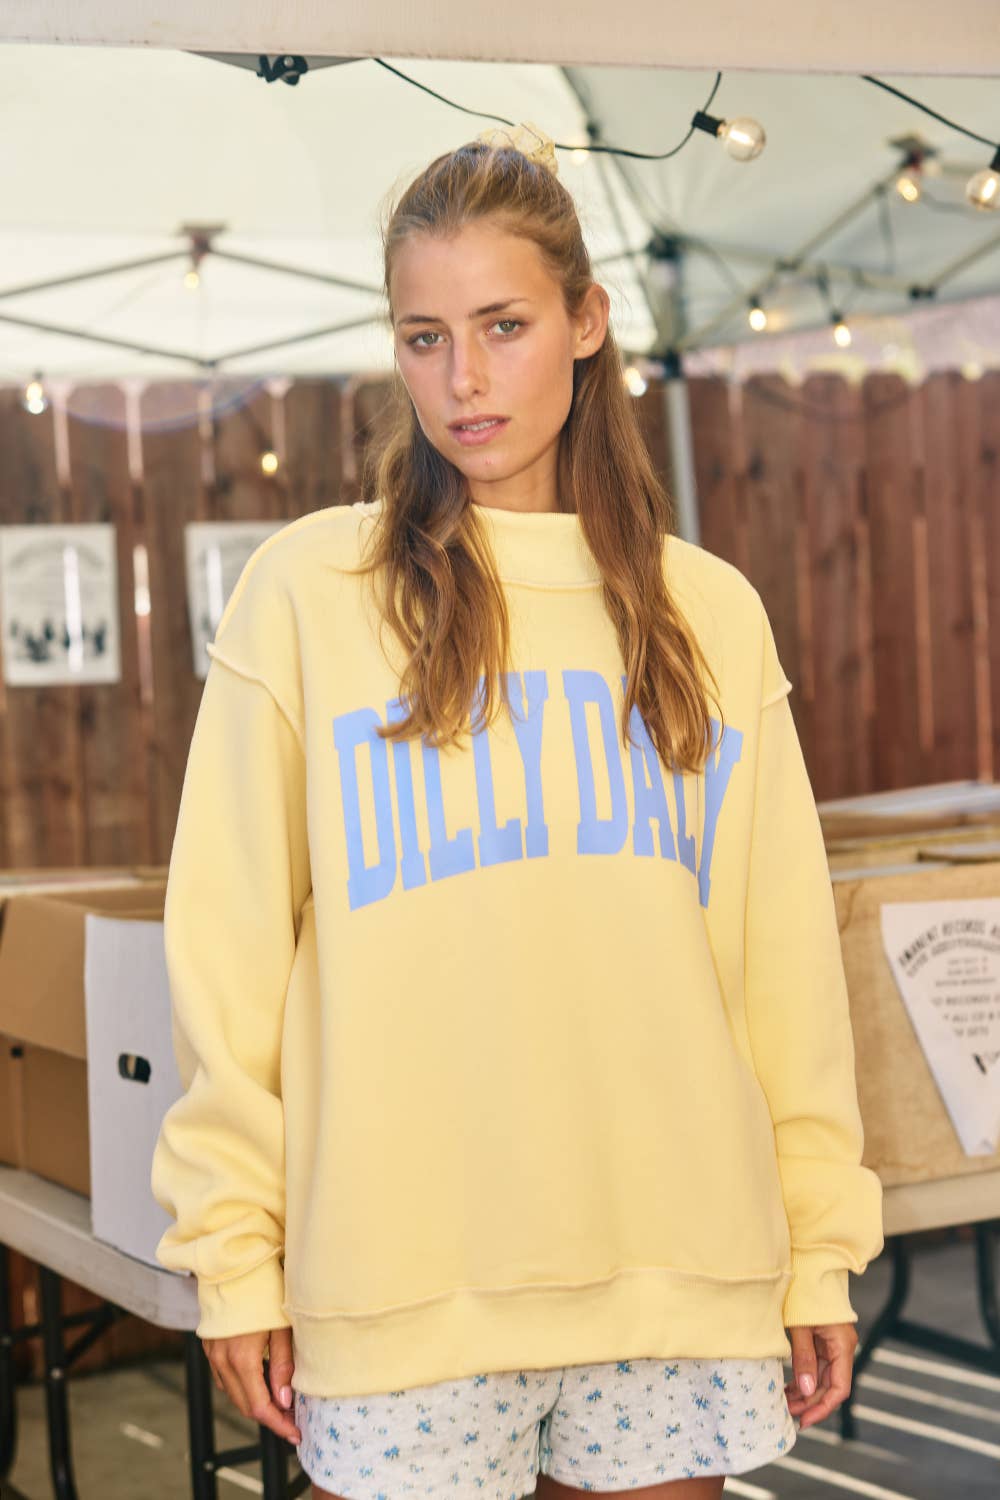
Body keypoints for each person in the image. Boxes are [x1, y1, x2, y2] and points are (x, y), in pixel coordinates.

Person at [150, 122, 884, 1500]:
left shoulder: (709, 612)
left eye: (504, 325)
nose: (465, 379)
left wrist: (817, 1251)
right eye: (424, 337)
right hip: (402, 1288)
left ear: (586, 321)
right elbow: (227, 960)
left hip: (679, 1271)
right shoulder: (311, 595)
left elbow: (786, 975)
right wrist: (234, 1256)